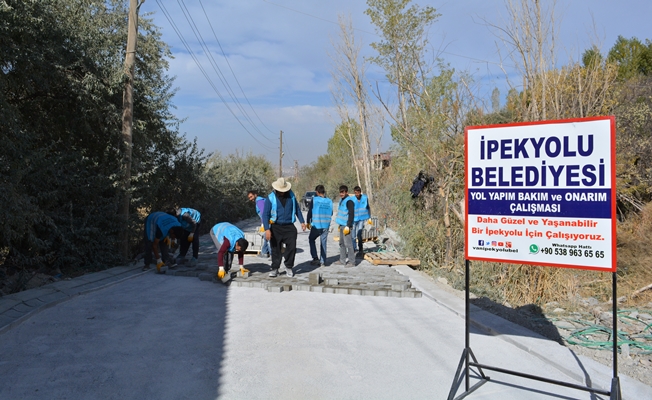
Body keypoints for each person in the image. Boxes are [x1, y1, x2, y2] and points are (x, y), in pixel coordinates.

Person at [262, 177, 306, 277]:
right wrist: (267, 229)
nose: (282, 193)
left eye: (284, 191)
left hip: (289, 227)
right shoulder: (271, 198)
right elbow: (265, 214)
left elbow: (297, 210)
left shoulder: (291, 196)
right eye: (280, 191)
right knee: (275, 249)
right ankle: (275, 268)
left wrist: (302, 222)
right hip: (275, 226)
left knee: (292, 247)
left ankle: (289, 267)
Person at [306, 184, 333, 266]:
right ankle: (323, 261)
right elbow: (331, 213)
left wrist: (308, 221)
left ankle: (315, 258)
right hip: (326, 225)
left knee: (311, 239)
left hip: (317, 225)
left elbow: (310, 211)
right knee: (323, 242)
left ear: (317, 192)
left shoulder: (314, 200)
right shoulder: (329, 201)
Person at [334, 185, 355, 267]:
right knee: (341, 243)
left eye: (343, 192)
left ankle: (352, 262)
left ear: (346, 192)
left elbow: (351, 214)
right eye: (340, 192)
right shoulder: (341, 200)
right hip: (342, 225)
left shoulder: (349, 201)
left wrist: (348, 225)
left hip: (347, 226)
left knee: (348, 244)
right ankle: (342, 260)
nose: (341, 194)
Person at [247, 190, 271, 258]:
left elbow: (264, 213)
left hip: (268, 221)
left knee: (268, 237)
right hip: (268, 221)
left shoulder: (259, 201)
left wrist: (264, 224)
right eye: (249, 198)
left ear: (255, 195)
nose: (250, 199)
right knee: (266, 238)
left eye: (251, 196)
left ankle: (271, 254)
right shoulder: (261, 200)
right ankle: (264, 252)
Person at [351, 186, 372, 258]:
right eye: (355, 193)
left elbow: (368, 207)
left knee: (359, 234)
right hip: (354, 219)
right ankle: (354, 249)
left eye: (357, 193)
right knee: (353, 236)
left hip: (362, 219)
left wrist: (369, 217)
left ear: (360, 192)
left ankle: (360, 249)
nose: (356, 194)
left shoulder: (365, 198)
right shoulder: (352, 199)